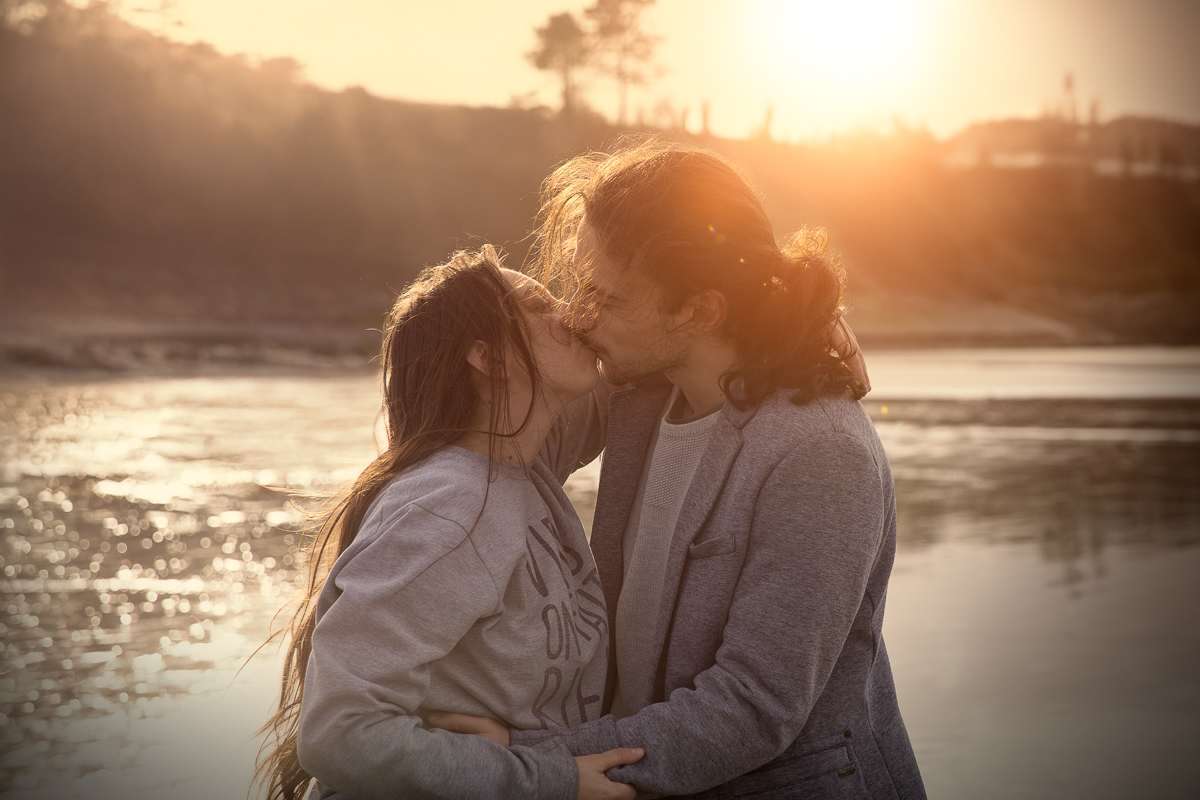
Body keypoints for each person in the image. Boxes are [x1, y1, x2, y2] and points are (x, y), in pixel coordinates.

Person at [429, 141, 926, 798]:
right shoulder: (641, 387)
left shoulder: (821, 453)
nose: (581, 315)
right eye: (581, 286)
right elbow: (485, 452)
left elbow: (752, 709)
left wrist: (526, 761)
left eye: (605, 297)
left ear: (699, 312)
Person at [254, 247, 645, 800]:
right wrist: (547, 780)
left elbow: (644, 358)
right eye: (539, 304)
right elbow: (338, 734)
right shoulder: (451, 506)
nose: (571, 313)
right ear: (489, 359)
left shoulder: (520, 462)